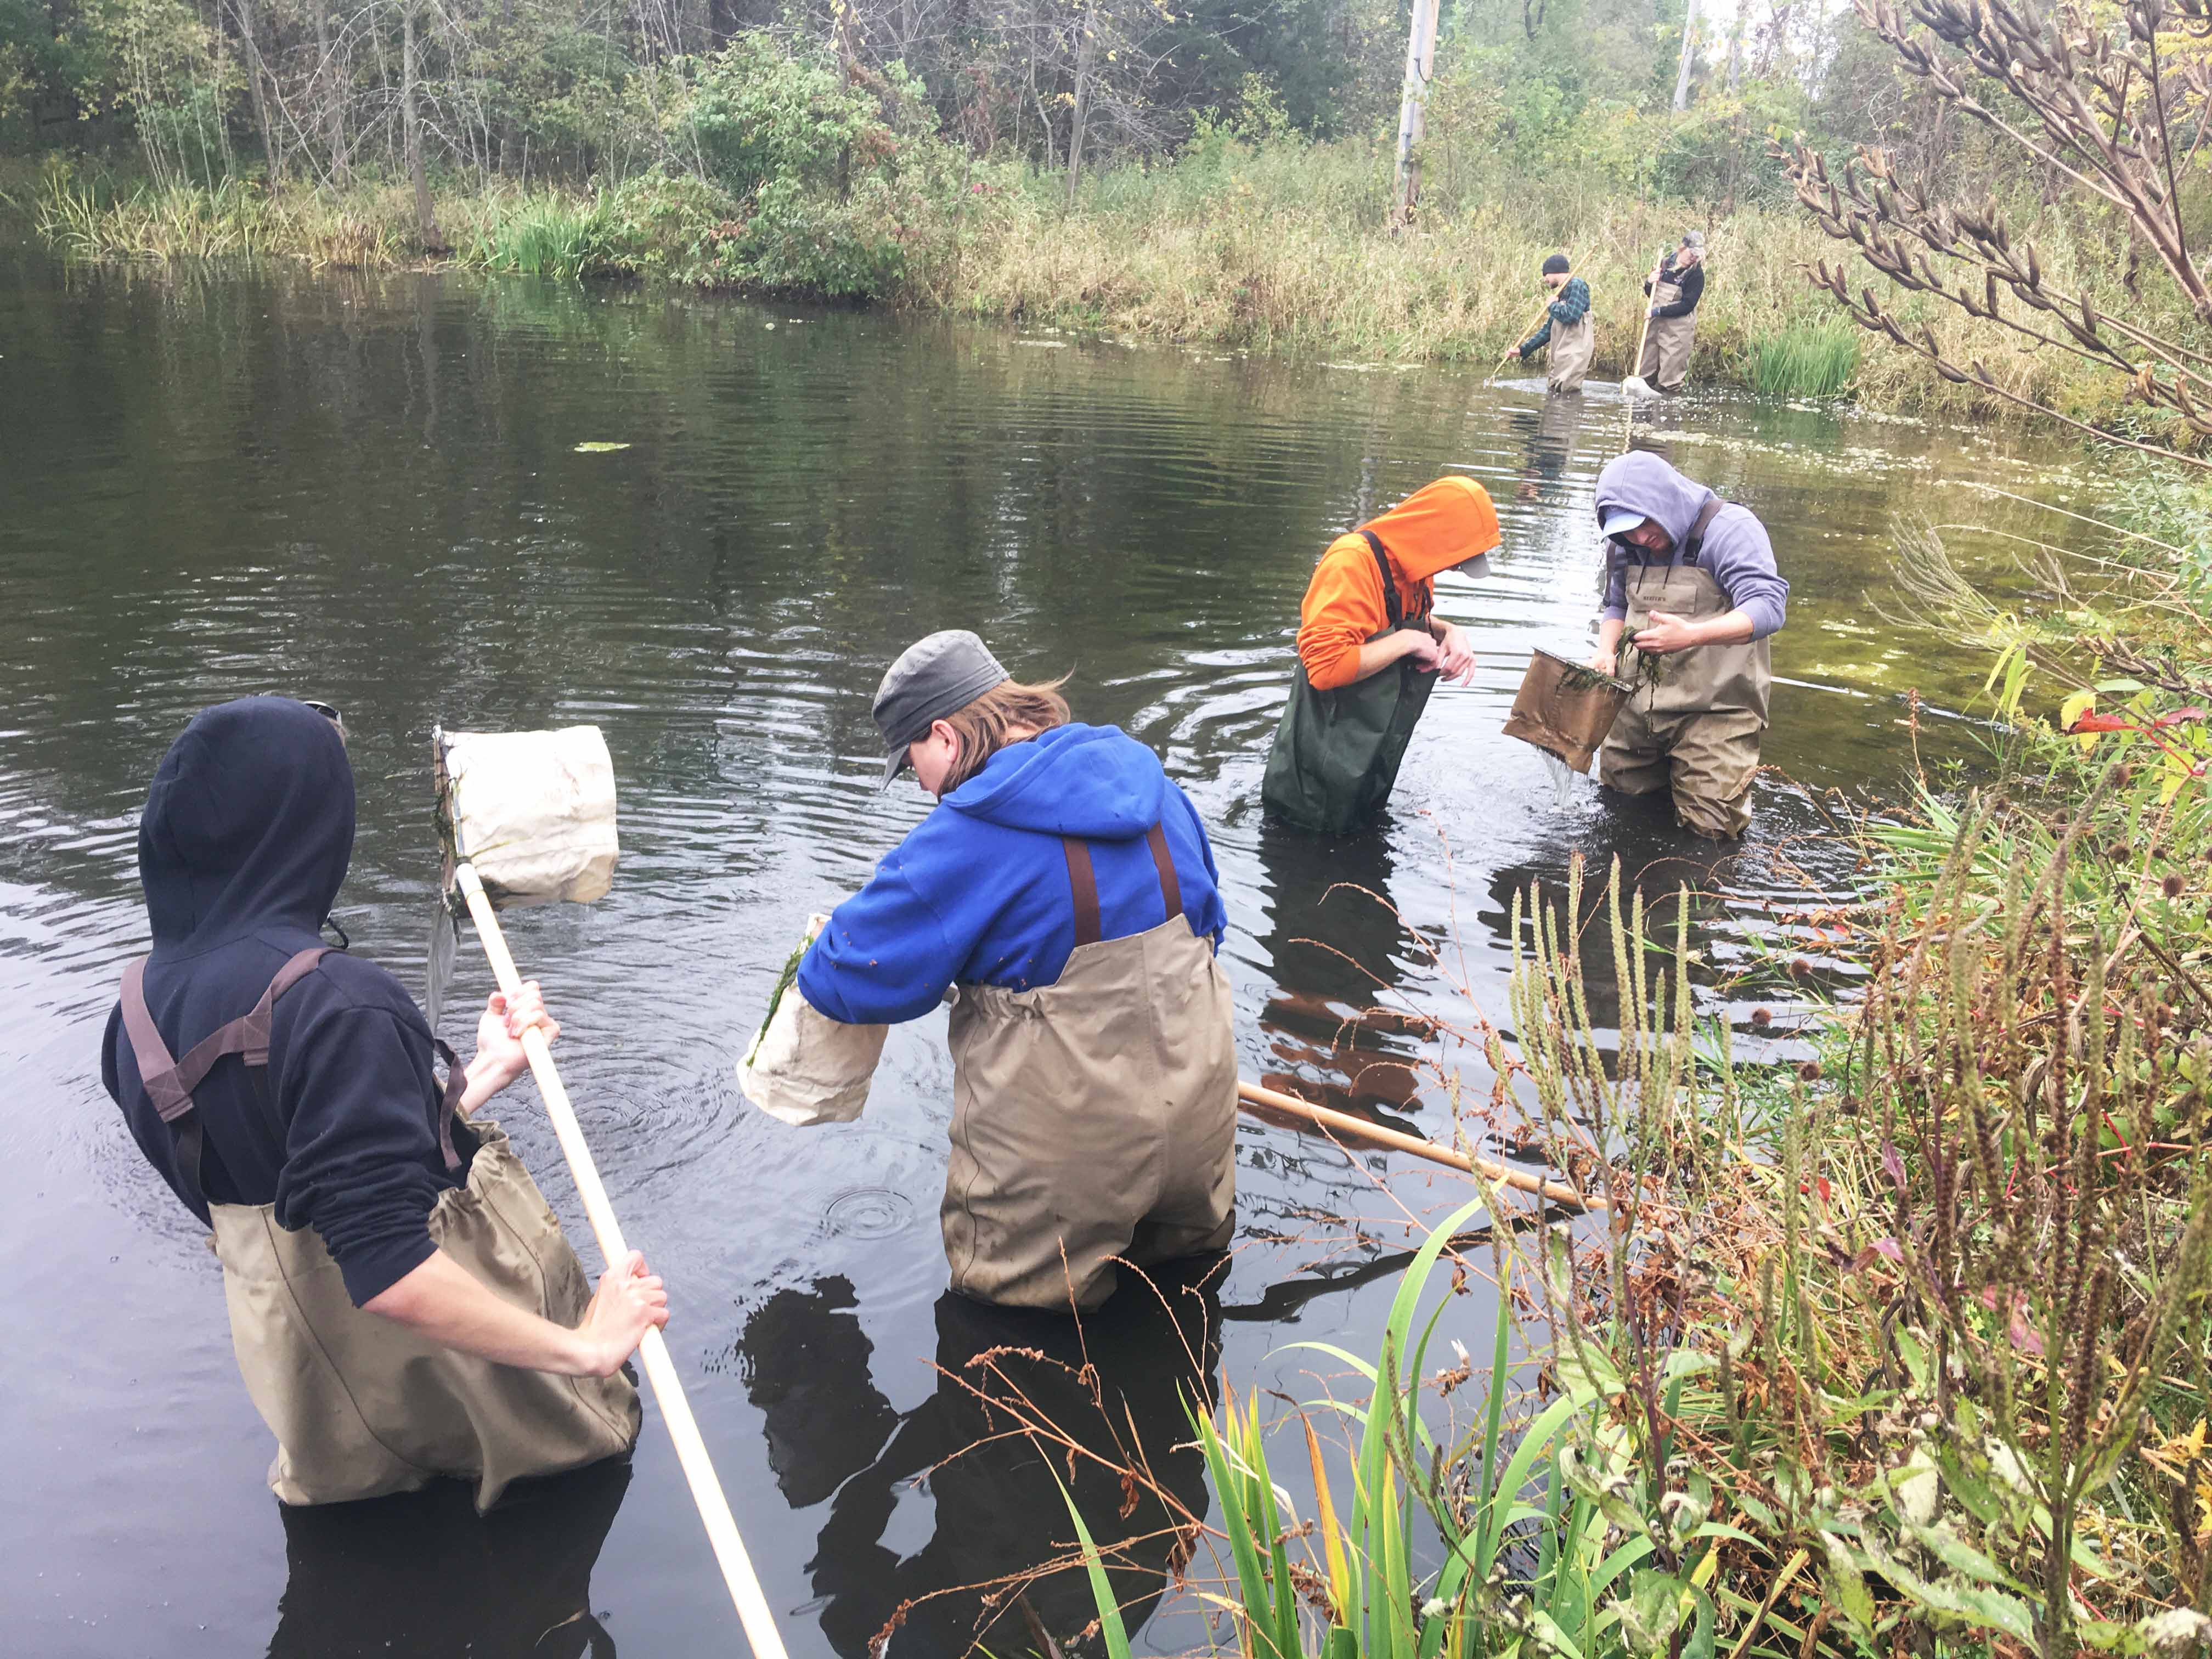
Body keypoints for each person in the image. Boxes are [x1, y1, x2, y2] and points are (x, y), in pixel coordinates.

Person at [102, 696, 665, 1511]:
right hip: (477, 1409)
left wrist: (475, 1075)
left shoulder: (134, 1018)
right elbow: (390, 1274)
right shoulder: (334, 1000)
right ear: (307, 827)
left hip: (325, 1421)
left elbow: (292, 1162)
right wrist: (588, 1347)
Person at [788, 631, 1237, 1311]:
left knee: (1016, 1356)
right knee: (1182, 1313)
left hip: (1066, 1168)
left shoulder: (967, 835)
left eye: (915, 768)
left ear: (943, 735)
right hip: (1201, 1118)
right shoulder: (1157, 787)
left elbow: (848, 976)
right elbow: (1214, 927)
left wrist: (826, 944)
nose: (926, 791)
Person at [1261, 475, 1501, 833]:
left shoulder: (1415, 570)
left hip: (1365, 782)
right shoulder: (1351, 564)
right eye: (1456, 560)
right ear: (1433, 537)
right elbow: (1325, 669)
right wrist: (1407, 642)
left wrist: (1451, 633)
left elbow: (1407, 621)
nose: (1454, 569)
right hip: (1309, 801)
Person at [1585, 452, 1787, 839]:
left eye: (1644, 524)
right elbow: (1617, 604)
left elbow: (1768, 608)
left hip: (1716, 713)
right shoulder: (1624, 544)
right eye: (1627, 531)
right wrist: (1605, 652)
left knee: (1710, 837)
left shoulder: (1731, 529)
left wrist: (1692, 635)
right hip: (1634, 711)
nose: (1639, 538)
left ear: (1664, 503)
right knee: (1622, 818)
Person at [1506, 253, 1594, 393]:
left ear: (1554, 271)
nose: (1545, 280)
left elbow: (1572, 316)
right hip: (1562, 354)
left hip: (1575, 353)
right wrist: (1523, 350)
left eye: (1545, 275)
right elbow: (1547, 331)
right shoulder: (1560, 293)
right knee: (1555, 389)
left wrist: (1553, 305)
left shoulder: (1577, 285)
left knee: (1567, 391)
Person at [1637, 230, 1707, 393]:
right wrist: (1649, 282)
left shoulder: (1697, 274)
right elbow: (1651, 294)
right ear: (1682, 248)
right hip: (1655, 325)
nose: (1694, 258)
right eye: (1692, 254)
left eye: (1698, 255)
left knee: (1669, 381)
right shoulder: (1664, 264)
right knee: (1645, 376)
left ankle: (1666, 413)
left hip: (1678, 329)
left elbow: (1687, 305)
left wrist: (1656, 311)